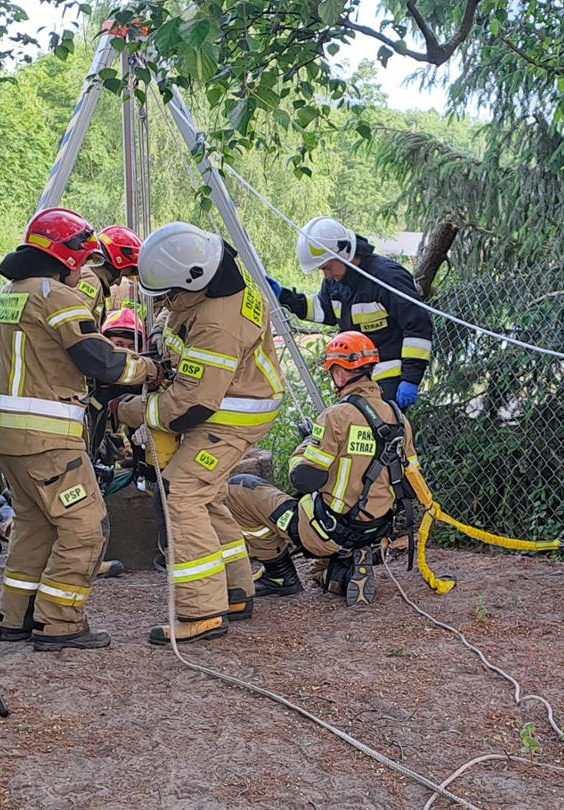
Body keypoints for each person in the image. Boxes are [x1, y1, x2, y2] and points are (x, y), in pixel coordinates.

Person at [0, 208, 156, 652]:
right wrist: (150, 368)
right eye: (81, 256)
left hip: (4, 437)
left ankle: (16, 618)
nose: (84, 265)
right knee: (85, 528)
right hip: (46, 438)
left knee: (35, 527)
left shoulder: (11, 292)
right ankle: (60, 623)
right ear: (66, 255)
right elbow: (100, 359)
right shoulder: (57, 296)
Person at [116, 222, 286, 645]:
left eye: (169, 293)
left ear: (191, 280)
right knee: (206, 494)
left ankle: (201, 610)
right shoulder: (215, 276)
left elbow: (189, 406)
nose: (166, 301)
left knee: (181, 493)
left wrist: (132, 410)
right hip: (232, 400)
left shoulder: (218, 324)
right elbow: (180, 329)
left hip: (230, 413)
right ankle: (233, 589)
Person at [225, 332, 419, 606]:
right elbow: (410, 482)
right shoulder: (399, 418)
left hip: (327, 532)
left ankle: (280, 575)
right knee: (319, 572)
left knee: (238, 489)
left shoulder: (336, 416)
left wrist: (305, 444)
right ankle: (346, 566)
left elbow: (304, 478)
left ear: (340, 374)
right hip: (375, 532)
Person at [268, 217, 435, 407]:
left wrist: (410, 379)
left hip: (389, 377)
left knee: (379, 431)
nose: (326, 275)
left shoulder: (387, 278)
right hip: (354, 378)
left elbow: (418, 327)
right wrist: (285, 297)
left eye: (327, 267)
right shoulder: (336, 283)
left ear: (344, 253)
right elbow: (324, 310)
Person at [81, 225, 141, 322]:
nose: (118, 283)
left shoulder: (92, 279)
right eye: (122, 275)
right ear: (113, 267)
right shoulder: (90, 281)